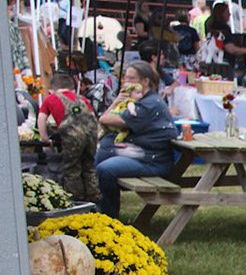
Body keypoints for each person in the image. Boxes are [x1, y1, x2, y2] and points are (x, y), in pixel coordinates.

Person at [92, 61, 176, 220]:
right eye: (125, 78)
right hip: (138, 154)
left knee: (105, 169)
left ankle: (109, 218)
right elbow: (105, 121)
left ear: (145, 81)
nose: (127, 83)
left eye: (131, 79)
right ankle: (98, 211)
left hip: (152, 161)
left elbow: (110, 120)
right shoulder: (135, 101)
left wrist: (104, 118)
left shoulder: (149, 104)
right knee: (99, 160)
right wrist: (117, 101)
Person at [39, 72, 99, 202]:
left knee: (71, 169)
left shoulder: (51, 98)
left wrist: (44, 138)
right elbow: (92, 116)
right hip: (91, 136)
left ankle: (76, 200)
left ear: (51, 90)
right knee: (89, 167)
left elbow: (41, 118)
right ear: (72, 89)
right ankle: (94, 199)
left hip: (72, 139)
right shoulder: (82, 99)